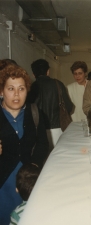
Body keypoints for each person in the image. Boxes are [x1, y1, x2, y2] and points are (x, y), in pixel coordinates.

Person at [0, 61, 48, 225]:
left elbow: (42, 144)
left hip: (28, 185)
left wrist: (34, 164)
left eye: (21, 89)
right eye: (10, 89)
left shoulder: (35, 113)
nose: (16, 94)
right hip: (3, 187)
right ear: (1, 91)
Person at [27, 59, 74, 151]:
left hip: (37, 130)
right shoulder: (58, 84)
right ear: (48, 71)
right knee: (58, 158)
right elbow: (69, 106)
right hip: (58, 128)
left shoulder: (31, 87)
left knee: (41, 158)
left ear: (33, 74)